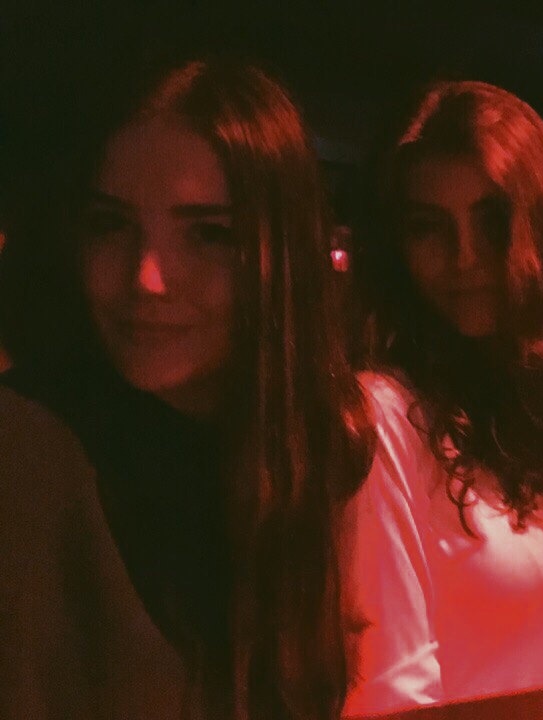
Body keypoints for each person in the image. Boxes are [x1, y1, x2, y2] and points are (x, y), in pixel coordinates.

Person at [1, 59, 373, 719]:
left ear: (282, 257)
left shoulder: (313, 452)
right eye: (111, 224)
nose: (147, 278)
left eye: (208, 235)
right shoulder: (27, 451)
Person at [342, 80, 543, 715]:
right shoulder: (383, 415)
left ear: (542, 232)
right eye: (429, 228)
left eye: (493, 221)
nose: (464, 257)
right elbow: (393, 691)